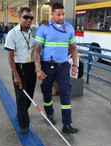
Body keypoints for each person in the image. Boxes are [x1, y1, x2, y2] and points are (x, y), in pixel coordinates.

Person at [34, 2, 79, 134]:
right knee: (47, 91)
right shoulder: (44, 27)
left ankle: (67, 124)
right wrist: (38, 69)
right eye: (58, 14)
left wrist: (75, 65)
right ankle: (49, 114)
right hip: (47, 66)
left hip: (63, 67)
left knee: (65, 93)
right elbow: (37, 50)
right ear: (52, 14)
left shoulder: (69, 28)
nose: (61, 17)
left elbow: (74, 48)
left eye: (63, 14)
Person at [4, 7, 36, 134]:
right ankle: (24, 124)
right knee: (21, 97)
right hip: (19, 68)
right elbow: (10, 57)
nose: (28, 20)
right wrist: (16, 75)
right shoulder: (13, 33)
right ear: (19, 17)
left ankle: (21, 112)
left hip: (31, 67)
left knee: (29, 97)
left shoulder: (34, 32)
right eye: (26, 17)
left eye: (31, 18)